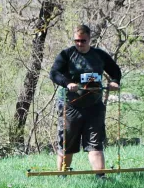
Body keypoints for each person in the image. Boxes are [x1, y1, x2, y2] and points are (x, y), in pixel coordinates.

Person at [49, 24, 121, 175]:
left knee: (96, 144)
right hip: (70, 106)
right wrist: (68, 83)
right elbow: (54, 73)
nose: (80, 44)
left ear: (90, 39)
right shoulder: (66, 55)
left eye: (83, 41)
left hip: (94, 106)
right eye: (77, 41)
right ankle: (63, 176)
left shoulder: (100, 55)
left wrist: (114, 81)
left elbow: (115, 70)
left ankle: (101, 178)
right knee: (67, 144)